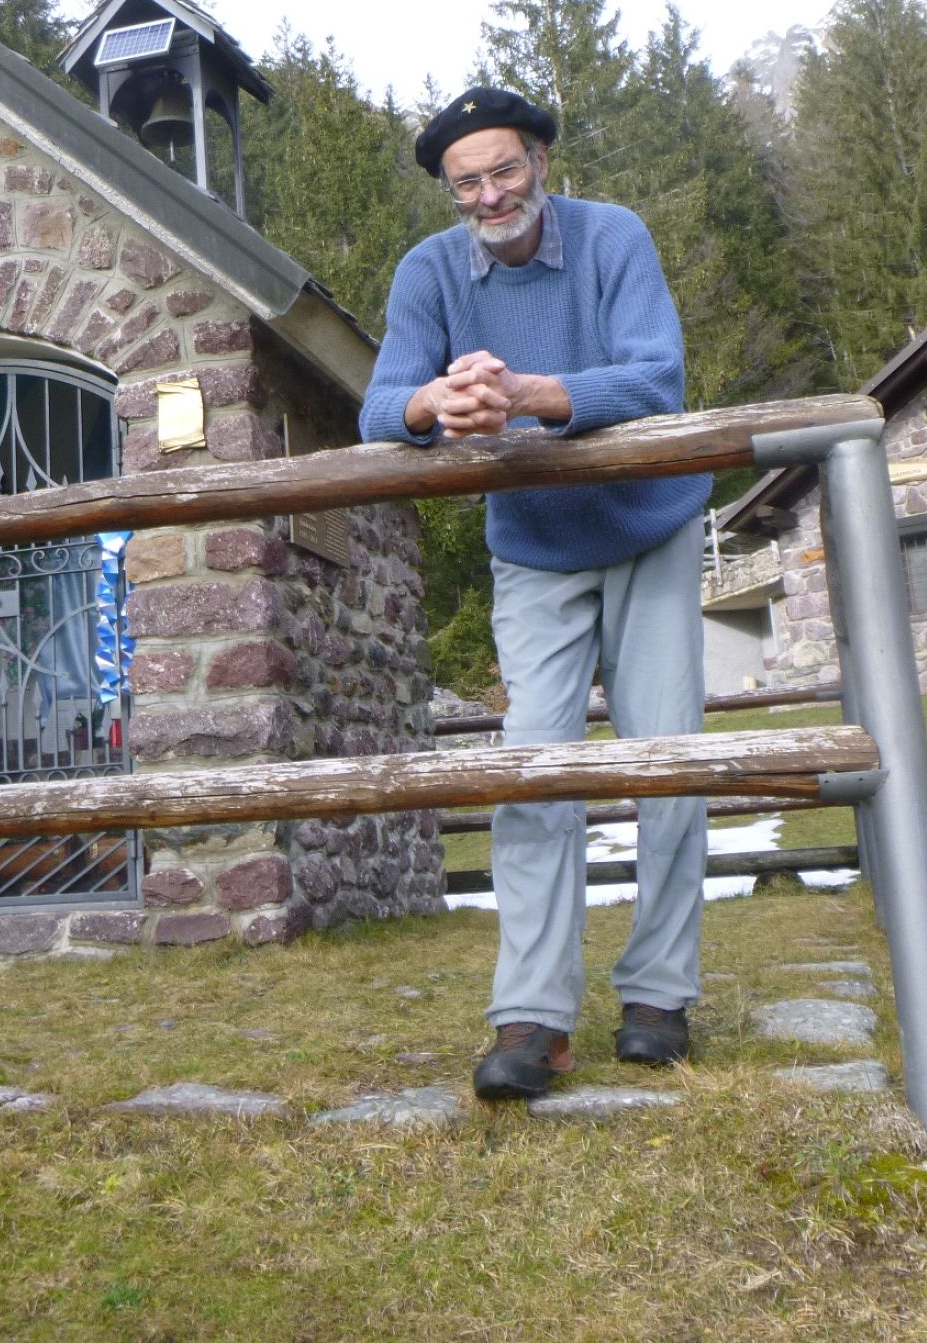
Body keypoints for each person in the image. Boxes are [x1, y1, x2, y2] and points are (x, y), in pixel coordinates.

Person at [359, 85, 711, 1102]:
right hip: (533, 547)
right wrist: (437, 401)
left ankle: (658, 994)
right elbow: (379, 406)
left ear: (541, 163)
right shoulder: (427, 272)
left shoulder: (614, 238)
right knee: (532, 770)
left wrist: (526, 395)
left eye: (504, 169)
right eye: (465, 181)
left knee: (667, 758)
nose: (488, 195)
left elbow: (655, 378)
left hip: (649, 523)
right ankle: (533, 1013)